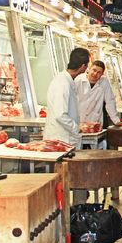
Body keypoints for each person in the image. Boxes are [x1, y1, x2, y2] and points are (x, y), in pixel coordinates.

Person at [45, 48, 89, 205]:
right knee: (64, 181)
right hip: (60, 139)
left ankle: (76, 210)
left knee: (71, 180)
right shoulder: (62, 83)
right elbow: (60, 114)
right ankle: (67, 216)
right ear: (83, 67)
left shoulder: (66, 81)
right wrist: (76, 128)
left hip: (65, 138)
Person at [75, 60, 122, 131]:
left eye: (99, 72)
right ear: (89, 69)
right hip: (78, 120)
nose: (95, 74)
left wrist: (116, 121)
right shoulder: (78, 80)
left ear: (102, 74)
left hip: (95, 122)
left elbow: (110, 101)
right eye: (94, 70)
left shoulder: (104, 82)